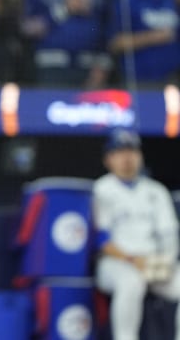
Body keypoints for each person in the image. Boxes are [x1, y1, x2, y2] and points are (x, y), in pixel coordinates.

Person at [93, 128, 180, 340]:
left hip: (152, 262)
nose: (127, 157)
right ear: (108, 159)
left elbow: (169, 234)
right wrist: (132, 259)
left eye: (132, 151)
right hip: (117, 263)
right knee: (131, 282)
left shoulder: (156, 191)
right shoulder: (101, 189)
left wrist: (164, 261)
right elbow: (101, 239)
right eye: (120, 152)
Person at [109, 0, 180, 85]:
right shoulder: (127, 1)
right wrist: (152, 37)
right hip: (140, 80)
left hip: (172, 78)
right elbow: (115, 43)